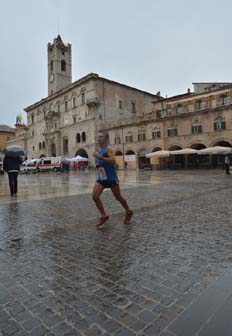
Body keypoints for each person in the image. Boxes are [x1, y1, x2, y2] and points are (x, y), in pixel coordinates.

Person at [92, 131, 133, 228]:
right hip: (102, 177)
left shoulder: (108, 149)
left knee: (118, 197)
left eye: (101, 137)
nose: (99, 138)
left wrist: (100, 157)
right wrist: (98, 163)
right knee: (94, 196)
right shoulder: (100, 150)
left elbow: (113, 161)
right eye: (98, 137)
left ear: (106, 139)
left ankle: (128, 211)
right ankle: (104, 215)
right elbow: (103, 162)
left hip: (111, 178)